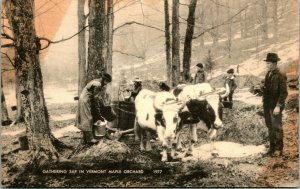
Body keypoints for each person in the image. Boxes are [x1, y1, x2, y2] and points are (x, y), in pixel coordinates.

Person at [75, 73, 112, 144]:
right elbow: (95, 99)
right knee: (87, 118)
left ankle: (87, 138)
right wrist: (98, 114)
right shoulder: (98, 84)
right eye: (107, 82)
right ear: (105, 80)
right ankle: (90, 139)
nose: (106, 84)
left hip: (85, 99)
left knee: (88, 117)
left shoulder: (96, 81)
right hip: (85, 100)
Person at [262, 53, 288, 156]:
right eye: (267, 63)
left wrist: (278, 106)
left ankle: (278, 150)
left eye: (268, 63)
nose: (267, 65)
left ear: (274, 63)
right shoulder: (268, 74)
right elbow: (267, 90)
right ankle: (272, 149)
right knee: (270, 127)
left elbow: (283, 93)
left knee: (277, 127)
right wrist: (260, 90)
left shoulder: (281, 75)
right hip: (267, 105)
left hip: (275, 106)